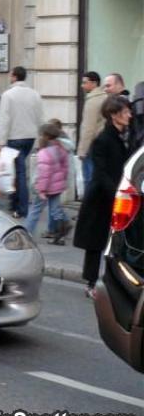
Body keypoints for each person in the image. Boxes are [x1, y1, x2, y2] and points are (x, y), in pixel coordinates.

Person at [74, 95, 133, 299]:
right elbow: (100, 173)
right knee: (96, 244)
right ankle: (90, 283)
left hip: (117, 198)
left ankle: (111, 282)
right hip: (100, 200)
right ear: (114, 115)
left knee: (114, 243)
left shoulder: (123, 136)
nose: (129, 115)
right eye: (125, 112)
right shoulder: (103, 139)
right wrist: (116, 194)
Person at [0, 66, 44, 218]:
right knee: (19, 171)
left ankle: (21, 207)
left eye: (11, 75)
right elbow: (40, 118)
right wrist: (41, 138)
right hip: (29, 137)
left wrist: (0, 141)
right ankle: (15, 204)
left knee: (18, 173)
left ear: (14, 76)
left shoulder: (8, 95)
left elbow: (4, 120)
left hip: (13, 137)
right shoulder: (35, 94)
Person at [24, 122, 72, 245]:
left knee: (35, 210)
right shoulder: (61, 148)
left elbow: (44, 174)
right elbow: (65, 167)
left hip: (46, 188)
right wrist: (63, 181)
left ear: (44, 136)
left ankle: (26, 234)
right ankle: (62, 229)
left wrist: (41, 190)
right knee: (55, 210)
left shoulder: (44, 153)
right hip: (57, 186)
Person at [76, 71, 105, 193]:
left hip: (92, 144)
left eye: (84, 83)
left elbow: (88, 128)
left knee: (89, 178)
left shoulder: (92, 101)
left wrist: (82, 150)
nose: (82, 86)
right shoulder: (104, 97)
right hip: (101, 142)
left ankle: (90, 207)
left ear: (94, 83)